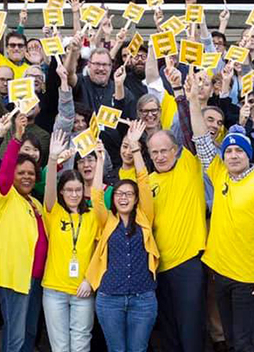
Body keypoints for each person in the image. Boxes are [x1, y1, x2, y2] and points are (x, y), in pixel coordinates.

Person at [188, 70, 254, 352]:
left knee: (244, 342)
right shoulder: (219, 173)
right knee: (231, 340)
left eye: (239, 151)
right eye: (228, 151)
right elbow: (201, 139)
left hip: (249, 277)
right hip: (221, 273)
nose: (232, 155)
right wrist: (193, 100)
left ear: (248, 155)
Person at [86, 125, 159, 352]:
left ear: (136, 199)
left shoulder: (145, 217)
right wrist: (100, 159)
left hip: (143, 298)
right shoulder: (106, 221)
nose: (124, 198)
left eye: (129, 194)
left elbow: (143, 180)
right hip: (110, 298)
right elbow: (96, 197)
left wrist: (135, 148)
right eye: (119, 194)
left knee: (138, 349)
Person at [0, 113, 48, 352]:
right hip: (13, 277)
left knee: (29, 332)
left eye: (31, 173)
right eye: (21, 172)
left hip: (35, 278)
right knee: (15, 336)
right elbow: (4, 174)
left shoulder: (35, 203)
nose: (26, 177)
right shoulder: (4, 195)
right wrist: (17, 138)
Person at [146, 120, 208, 350]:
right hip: (158, 267)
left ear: (176, 150)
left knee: (191, 330)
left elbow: (189, 130)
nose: (160, 156)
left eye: (164, 150)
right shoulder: (148, 182)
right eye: (154, 152)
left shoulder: (188, 166)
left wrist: (186, 100)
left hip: (187, 264)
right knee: (168, 332)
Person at [41, 131, 99, 352]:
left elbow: (99, 252)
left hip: (82, 291)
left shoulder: (93, 215)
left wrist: (90, 280)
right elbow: (48, 188)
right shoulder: (54, 211)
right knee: (60, 346)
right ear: (61, 192)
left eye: (78, 190)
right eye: (69, 190)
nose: (74, 194)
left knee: (81, 344)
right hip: (54, 290)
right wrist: (53, 158)